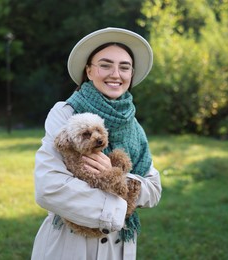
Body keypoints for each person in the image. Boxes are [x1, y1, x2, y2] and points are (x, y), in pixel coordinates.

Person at [31, 27, 162, 260]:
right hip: (70, 244)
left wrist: (119, 179)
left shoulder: (134, 127)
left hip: (118, 248)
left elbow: (153, 189)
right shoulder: (66, 113)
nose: (116, 74)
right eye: (105, 65)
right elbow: (49, 187)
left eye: (124, 67)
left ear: (131, 74)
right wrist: (118, 209)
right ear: (89, 71)